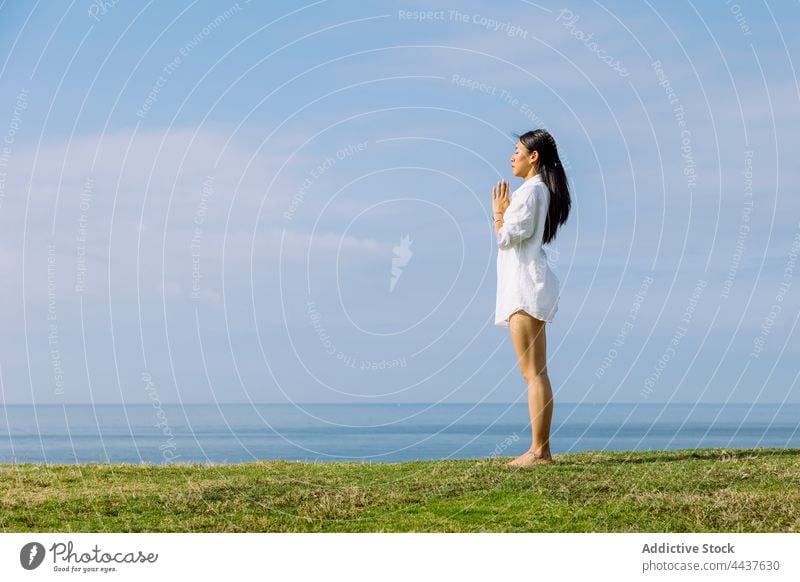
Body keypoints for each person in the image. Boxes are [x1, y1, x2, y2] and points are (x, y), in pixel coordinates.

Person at [492, 129, 571, 468]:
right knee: (536, 371)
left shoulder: (531, 192)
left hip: (523, 289)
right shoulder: (535, 192)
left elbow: (505, 237)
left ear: (533, 157)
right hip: (528, 285)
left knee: (533, 373)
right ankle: (541, 450)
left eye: (517, 151)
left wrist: (498, 212)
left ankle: (539, 451)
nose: (512, 157)